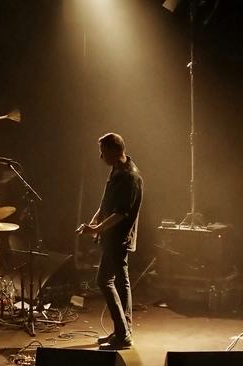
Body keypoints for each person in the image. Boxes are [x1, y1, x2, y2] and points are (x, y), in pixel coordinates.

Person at [78, 132, 143, 350]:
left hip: (119, 237)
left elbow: (121, 213)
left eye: (103, 152)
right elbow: (107, 202)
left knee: (106, 281)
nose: (100, 157)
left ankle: (123, 333)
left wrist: (95, 228)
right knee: (118, 282)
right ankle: (122, 331)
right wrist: (95, 219)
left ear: (116, 151)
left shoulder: (129, 177)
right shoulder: (117, 170)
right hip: (113, 236)